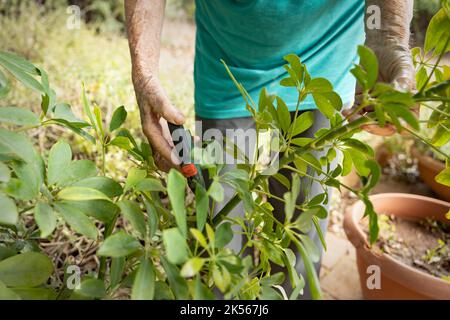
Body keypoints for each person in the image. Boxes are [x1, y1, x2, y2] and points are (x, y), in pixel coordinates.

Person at [124, 0, 415, 299]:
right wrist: (144, 73)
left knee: (302, 225)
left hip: (325, 65)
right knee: (222, 230)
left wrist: (387, 37)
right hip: (228, 64)